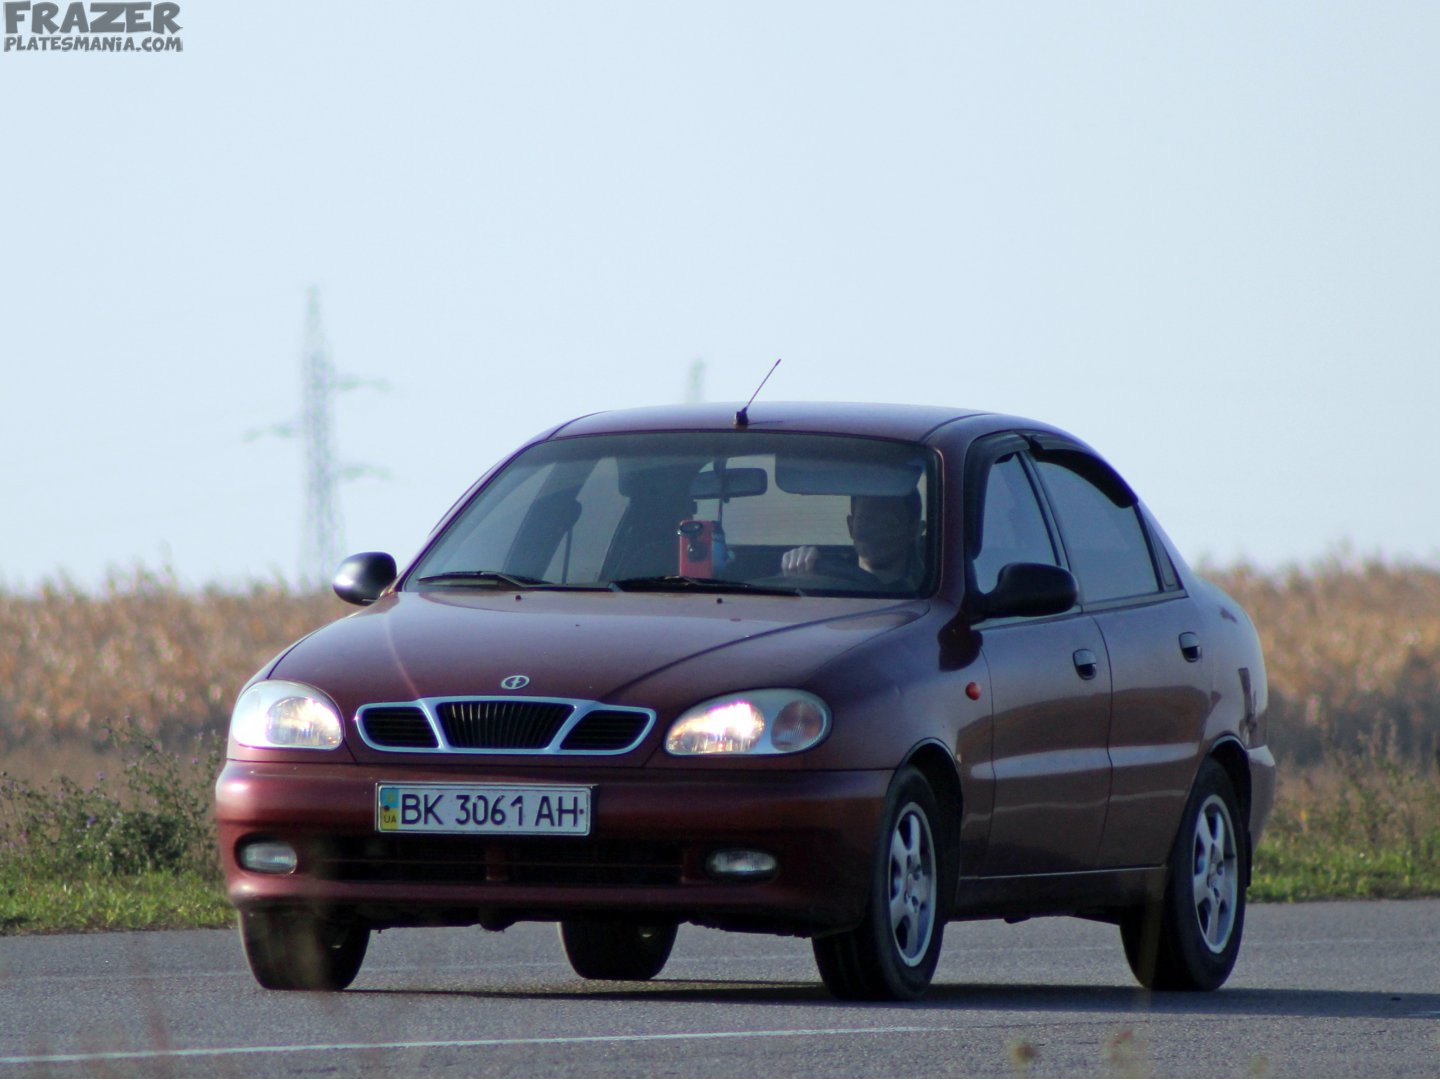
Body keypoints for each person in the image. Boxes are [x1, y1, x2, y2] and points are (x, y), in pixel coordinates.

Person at [780, 492, 923, 587]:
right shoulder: (826, 575)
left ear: (914, 531)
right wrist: (800, 566)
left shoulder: (931, 588)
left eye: (887, 523)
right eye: (865, 520)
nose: (874, 530)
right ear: (850, 526)